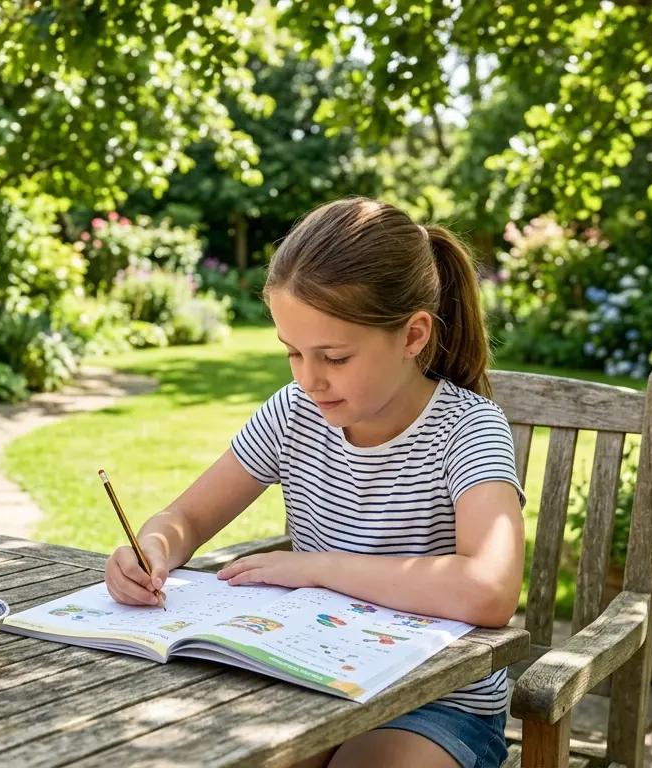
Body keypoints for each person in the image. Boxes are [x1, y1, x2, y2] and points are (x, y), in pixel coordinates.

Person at [104, 197, 526, 768]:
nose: (310, 379)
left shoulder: (467, 428)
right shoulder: (294, 412)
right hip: (310, 679)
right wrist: (150, 548)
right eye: (293, 353)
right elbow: (188, 519)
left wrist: (313, 568)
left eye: (334, 356)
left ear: (412, 336)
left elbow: (489, 588)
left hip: (436, 703)